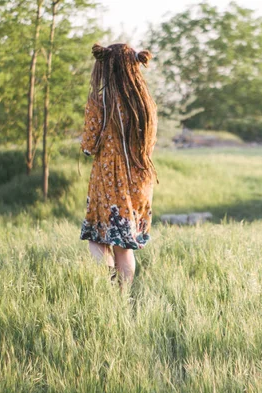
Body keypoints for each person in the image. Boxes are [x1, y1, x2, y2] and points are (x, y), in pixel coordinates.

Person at [79, 43, 158, 287]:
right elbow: (149, 144)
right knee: (125, 248)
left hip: (108, 179)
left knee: (97, 239)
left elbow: (89, 146)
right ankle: (122, 299)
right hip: (140, 181)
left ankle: (106, 293)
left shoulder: (101, 102)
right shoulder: (146, 104)